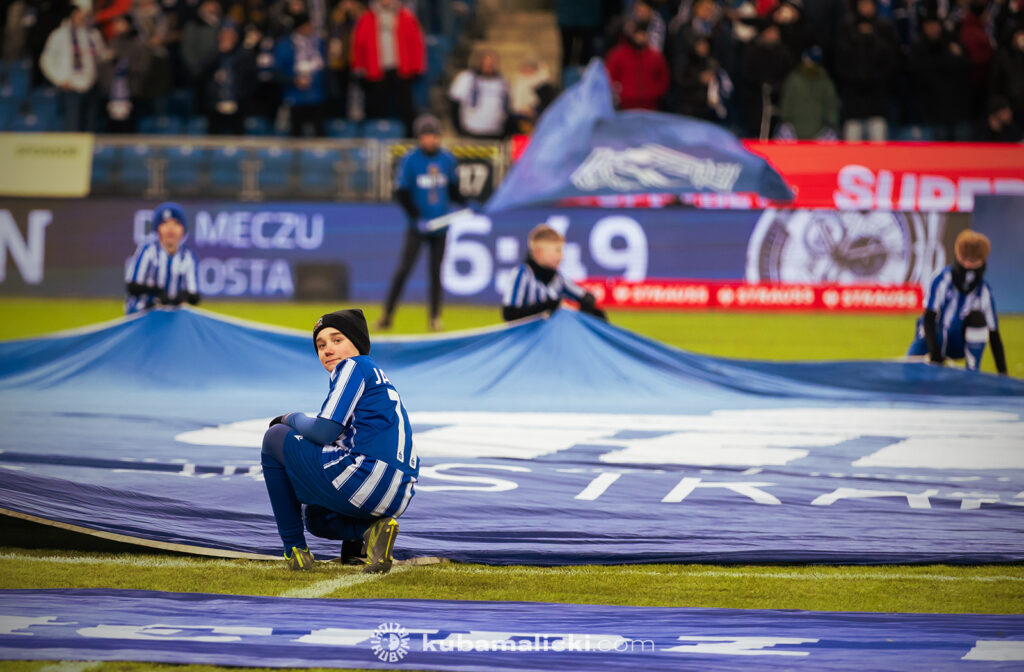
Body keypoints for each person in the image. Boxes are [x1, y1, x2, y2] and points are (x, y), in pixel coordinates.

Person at [261, 308, 416, 573]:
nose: (328, 349)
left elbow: (324, 431)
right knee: (316, 516)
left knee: (274, 438)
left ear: (357, 342)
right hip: (400, 492)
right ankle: (368, 533)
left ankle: (294, 550)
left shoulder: (354, 366)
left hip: (367, 478)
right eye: (321, 345)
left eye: (337, 339)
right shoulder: (378, 378)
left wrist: (290, 417)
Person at [378, 114, 466, 332]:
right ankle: (387, 315)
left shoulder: (447, 160)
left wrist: (467, 203)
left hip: (440, 226)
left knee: (436, 272)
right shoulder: (410, 160)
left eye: (433, 136)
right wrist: (417, 218)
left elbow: (453, 190)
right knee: (404, 270)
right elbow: (402, 193)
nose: (429, 140)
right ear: (419, 138)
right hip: (418, 227)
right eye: (425, 136)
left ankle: (435, 318)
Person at [906, 230, 1007, 375]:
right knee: (908, 374)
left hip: (958, 343)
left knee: (978, 319)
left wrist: (1003, 373)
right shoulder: (941, 280)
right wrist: (935, 354)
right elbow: (929, 318)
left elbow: (994, 334)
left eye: (975, 260)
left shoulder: (984, 292)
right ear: (959, 256)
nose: (969, 265)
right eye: (966, 259)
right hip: (932, 339)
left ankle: (972, 372)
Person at [502, 224, 607, 323]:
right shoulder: (522, 274)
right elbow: (510, 314)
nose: (561, 257)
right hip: (528, 335)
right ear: (539, 252)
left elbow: (586, 298)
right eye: (557, 251)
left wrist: (584, 314)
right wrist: (551, 306)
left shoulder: (558, 278)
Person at [351, 0, 425, 134]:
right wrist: (360, 67)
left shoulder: (406, 16)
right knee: (376, 108)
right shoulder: (367, 18)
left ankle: (408, 137)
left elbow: (415, 43)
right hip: (376, 70)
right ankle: (374, 137)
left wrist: (416, 67)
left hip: (401, 70)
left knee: (406, 108)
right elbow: (359, 44)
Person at [39, 0, 106, 132]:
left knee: (90, 127)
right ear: (73, 14)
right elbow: (46, 60)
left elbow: (101, 56)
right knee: (72, 126)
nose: (83, 17)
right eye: (80, 13)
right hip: (71, 86)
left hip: (91, 85)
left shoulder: (93, 34)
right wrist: (59, 79)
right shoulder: (60, 34)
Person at [124, 202, 200, 315]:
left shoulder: (188, 256)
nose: (171, 229)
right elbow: (132, 286)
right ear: (157, 228)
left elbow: (194, 295)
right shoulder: (147, 251)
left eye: (176, 223)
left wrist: (179, 298)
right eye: (165, 223)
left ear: (183, 229)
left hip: (171, 317)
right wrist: (156, 292)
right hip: (142, 315)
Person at [275, 12, 327, 136]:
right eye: (307, 25)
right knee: (296, 133)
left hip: (316, 96)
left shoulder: (319, 43)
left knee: (319, 132)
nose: (310, 28)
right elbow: (277, 71)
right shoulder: (285, 45)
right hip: (294, 97)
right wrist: (294, 80)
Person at [777, 45, 838, 139]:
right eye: (808, 60)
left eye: (812, 61)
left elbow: (831, 105)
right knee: (783, 132)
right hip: (794, 130)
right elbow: (786, 103)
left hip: (819, 131)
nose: (809, 64)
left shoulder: (825, 81)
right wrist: (785, 118)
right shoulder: (794, 79)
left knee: (831, 136)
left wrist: (831, 121)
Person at [448, 49, 513, 139]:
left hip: (495, 132)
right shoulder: (467, 78)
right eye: (486, 63)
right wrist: (459, 130)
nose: (488, 66)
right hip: (471, 131)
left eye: (492, 63)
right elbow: (454, 104)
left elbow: (508, 107)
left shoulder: (503, 82)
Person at [606, 22, 670, 111]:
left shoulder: (656, 56)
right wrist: (619, 93)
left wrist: (655, 93)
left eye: (643, 33)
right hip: (625, 106)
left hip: (651, 106)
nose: (640, 37)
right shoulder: (617, 55)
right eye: (637, 33)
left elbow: (663, 79)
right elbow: (609, 77)